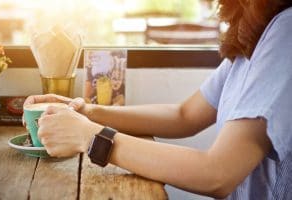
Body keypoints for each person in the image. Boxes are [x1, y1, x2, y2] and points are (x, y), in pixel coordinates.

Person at [23, 1, 292, 199]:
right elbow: (185, 116)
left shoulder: (286, 30)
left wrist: (91, 137)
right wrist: (87, 111)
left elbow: (217, 174)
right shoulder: (256, 32)